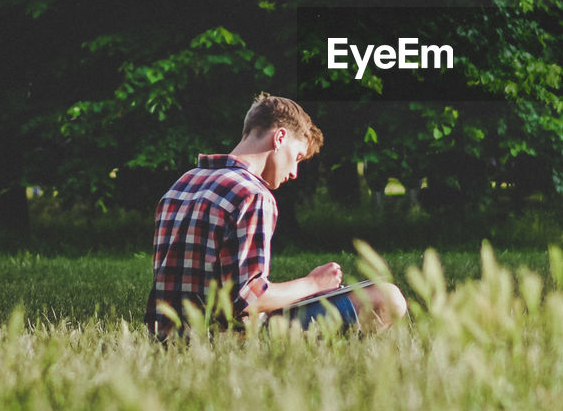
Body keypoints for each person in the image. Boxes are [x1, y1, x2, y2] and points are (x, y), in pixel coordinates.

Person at [144, 93, 407, 338]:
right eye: (297, 157)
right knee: (388, 297)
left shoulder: (182, 184)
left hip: (168, 336)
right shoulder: (251, 194)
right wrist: (314, 284)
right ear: (279, 138)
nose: (294, 172)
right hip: (223, 340)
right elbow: (248, 298)